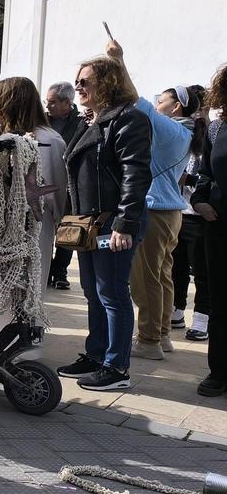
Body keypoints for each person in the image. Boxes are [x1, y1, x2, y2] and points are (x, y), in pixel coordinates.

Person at [56, 45, 152, 391]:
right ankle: (96, 355)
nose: (78, 88)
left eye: (85, 82)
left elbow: (135, 175)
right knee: (94, 294)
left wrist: (124, 224)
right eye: (76, 82)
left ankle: (116, 368)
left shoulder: (129, 118)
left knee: (112, 293)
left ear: (108, 84)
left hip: (112, 223)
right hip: (88, 222)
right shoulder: (90, 121)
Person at [0, 77, 67, 345]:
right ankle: (0, 341)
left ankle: (27, 342)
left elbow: (57, 189)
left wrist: (51, 222)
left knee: (29, 283)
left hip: (34, 227)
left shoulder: (50, 140)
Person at [128, 80, 203, 360]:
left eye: (163, 99)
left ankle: (148, 340)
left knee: (145, 279)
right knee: (161, 277)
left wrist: (119, 59)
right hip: (169, 213)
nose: (158, 103)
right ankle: (161, 335)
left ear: (177, 106)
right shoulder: (184, 131)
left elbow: (136, 100)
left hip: (156, 212)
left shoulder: (172, 129)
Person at [191, 66, 227, 396]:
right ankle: (218, 372)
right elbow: (204, 174)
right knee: (219, 302)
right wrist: (200, 201)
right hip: (218, 226)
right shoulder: (216, 130)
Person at [173, 90, 211, 342]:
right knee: (176, 268)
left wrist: (189, 179)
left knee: (202, 271)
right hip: (177, 212)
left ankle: (201, 318)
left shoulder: (209, 138)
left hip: (199, 215)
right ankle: (176, 311)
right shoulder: (178, 136)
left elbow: (208, 177)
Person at [45, 81, 86, 289]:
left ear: (67, 102)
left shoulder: (82, 122)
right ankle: (45, 268)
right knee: (43, 228)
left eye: (52, 102)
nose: (48, 106)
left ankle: (60, 271)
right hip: (44, 181)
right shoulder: (42, 120)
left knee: (67, 229)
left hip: (70, 184)